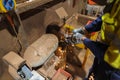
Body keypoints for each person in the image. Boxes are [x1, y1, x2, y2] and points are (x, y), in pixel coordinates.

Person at [73, 0, 120, 80]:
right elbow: (103, 19)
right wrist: (85, 29)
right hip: (102, 56)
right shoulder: (114, 3)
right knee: (92, 74)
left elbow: (110, 58)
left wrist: (84, 40)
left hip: (113, 68)